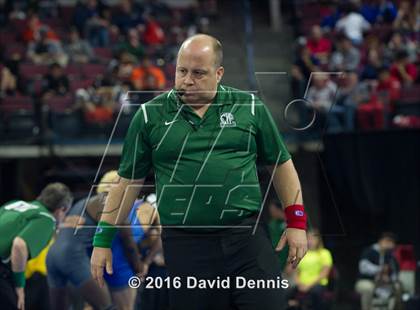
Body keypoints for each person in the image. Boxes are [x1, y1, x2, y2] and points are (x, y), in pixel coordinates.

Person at [91, 34, 308, 310]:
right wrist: (102, 239)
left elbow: (282, 165)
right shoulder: (149, 116)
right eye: (182, 71)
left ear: (219, 74)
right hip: (186, 245)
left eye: (198, 73)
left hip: (246, 238)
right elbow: (126, 183)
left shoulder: (250, 108)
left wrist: (297, 222)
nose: (187, 80)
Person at [46, 171, 160, 310]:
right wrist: (140, 266)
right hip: (80, 260)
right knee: (108, 307)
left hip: (54, 257)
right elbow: (128, 241)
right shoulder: (116, 203)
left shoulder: (83, 203)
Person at [0, 182, 73, 310]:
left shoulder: (15, 204)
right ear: (63, 209)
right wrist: (19, 286)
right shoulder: (47, 219)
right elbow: (19, 245)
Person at [288, 229, 333, 310]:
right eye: (308, 238)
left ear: (318, 240)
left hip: (317, 284)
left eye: (313, 238)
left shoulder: (324, 253)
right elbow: (295, 271)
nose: (310, 241)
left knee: (314, 292)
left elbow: (324, 273)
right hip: (301, 284)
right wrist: (298, 283)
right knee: (286, 290)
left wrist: (308, 285)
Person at [355, 232, 401, 310]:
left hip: (385, 283)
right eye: (387, 241)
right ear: (380, 241)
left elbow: (395, 272)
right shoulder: (369, 251)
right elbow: (363, 268)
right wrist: (380, 270)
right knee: (368, 288)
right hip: (367, 280)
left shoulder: (390, 255)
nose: (389, 244)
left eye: (391, 242)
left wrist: (390, 279)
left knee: (397, 287)